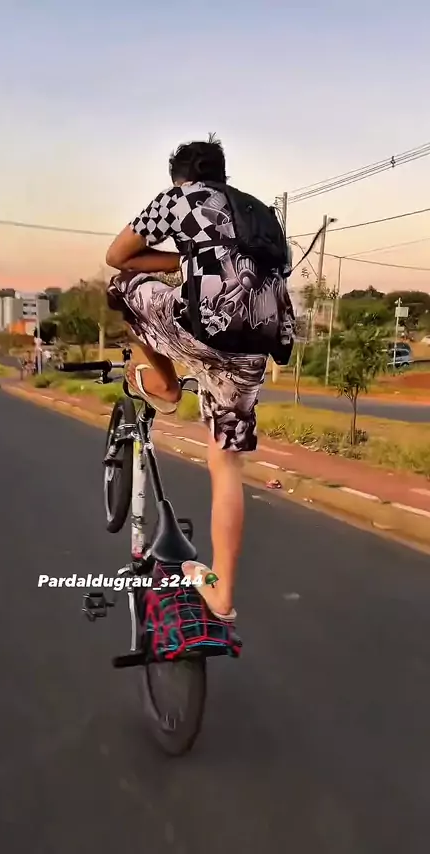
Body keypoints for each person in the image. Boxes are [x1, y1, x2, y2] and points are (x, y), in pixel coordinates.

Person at [106, 136, 295, 622]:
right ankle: (222, 594)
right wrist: (193, 258)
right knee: (226, 465)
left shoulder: (180, 198)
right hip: (255, 345)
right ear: (223, 174)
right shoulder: (262, 213)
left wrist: (179, 259)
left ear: (180, 177)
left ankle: (165, 384)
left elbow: (117, 255)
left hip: (202, 330)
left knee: (121, 288)